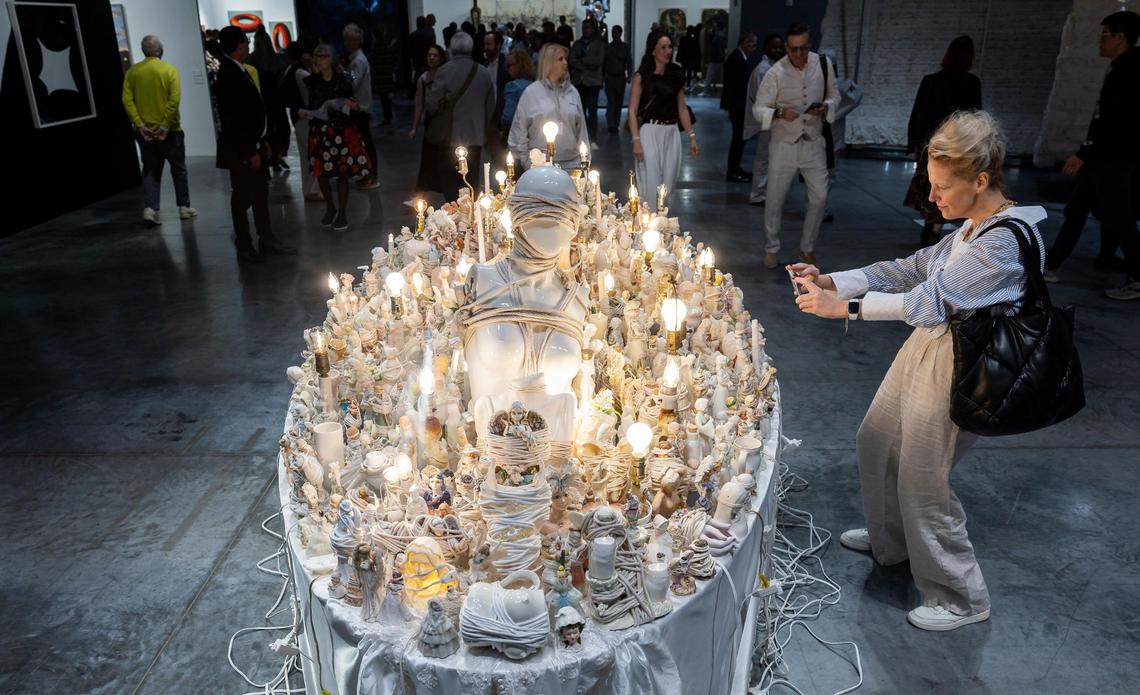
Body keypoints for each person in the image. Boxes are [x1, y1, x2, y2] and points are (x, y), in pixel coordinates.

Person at [790, 110, 1045, 632]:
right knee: (876, 439)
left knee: (924, 479)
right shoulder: (973, 226)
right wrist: (835, 280)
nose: (932, 197)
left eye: (941, 187)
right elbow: (911, 268)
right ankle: (894, 542)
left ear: (980, 180)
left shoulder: (1003, 240)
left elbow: (932, 299)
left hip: (965, 364)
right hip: (929, 348)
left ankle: (960, 597)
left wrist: (849, 310)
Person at [1044, 11, 1140, 300]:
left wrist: (1084, 152)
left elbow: (1113, 121)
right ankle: (1050, 264)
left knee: (1120, 217)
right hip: (1105, 157)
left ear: (1121, 38)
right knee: (1077, 210)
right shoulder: (1122, 67)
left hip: (1112, 158)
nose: (1101, 40)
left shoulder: (1128, 71)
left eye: (1105, 34)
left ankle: (1137, 277)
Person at [753, 23, 838, 268]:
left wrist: (826, 108)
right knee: (775, 198)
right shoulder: (776, 72)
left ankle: (807, 248)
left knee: (820, 197)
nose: (798, 55)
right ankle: (771, 247)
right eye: (793, 50)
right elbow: (758, 109)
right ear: (787, 47)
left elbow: (835, 95)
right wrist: (778, 112)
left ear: (809, 45)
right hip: (784, 144)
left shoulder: (823, 64)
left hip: (813, 141)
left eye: (802, 49)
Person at [215, 26, 294, 262]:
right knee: (242, 198)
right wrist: (250, 151)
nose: (248, 47)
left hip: (252, 146)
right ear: (239, 46)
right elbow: (234, 120)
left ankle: (264, 239)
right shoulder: (229, 74)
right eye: (245, 44)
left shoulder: (237, 70)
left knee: (259, 193)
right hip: (243, 151)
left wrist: (262, 143)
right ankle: (246, 245)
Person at [903, 36, 982, 247]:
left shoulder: (931, 81)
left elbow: (917, 114)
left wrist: (913, 144)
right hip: (957, 147)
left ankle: (931, 228)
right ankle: (934, 229)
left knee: (933, 186)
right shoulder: (971, 83)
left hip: (931, 145)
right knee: (947, 185)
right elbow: (976, 119)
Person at [121, 35, 195, 225]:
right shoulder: (169, 70)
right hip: (171, 131)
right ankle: (184, 208)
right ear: (161, 50)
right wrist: (163, 126)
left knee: (150, 170)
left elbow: (127, 101)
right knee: (178, 169)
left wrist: (140, 125)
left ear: (143, 50)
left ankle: (150, 209)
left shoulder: (132, 72)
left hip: (144, 132)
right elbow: (174, 100)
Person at [301, 43, 372, 231]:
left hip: (341, 130)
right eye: (317, 56)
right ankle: (331, 207)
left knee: (342, 173)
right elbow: (310, 104)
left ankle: (342, 212)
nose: (319, 59)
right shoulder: (312, 81)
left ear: (331, 58)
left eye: (323, 56)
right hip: (320, 131)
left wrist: (347, 104)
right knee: (321, 172)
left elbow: (353, 103)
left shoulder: (343, 79)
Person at [629, 31, 697, 211]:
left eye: (670, 47)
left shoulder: (676, 75)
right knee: (651, 182)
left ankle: (661, 223)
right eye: (663, 47)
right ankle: (648, 225)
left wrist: (691, 136)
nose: (668, 51)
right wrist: (636, 140)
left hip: (672, 132)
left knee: (668, 183)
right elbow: (632, 110)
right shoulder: (642, 77)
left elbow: (682, 108)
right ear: (653, 50)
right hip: (649, 131)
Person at [426, 32, 495, 193]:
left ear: (451, 48)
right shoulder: (484, 73)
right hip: (475, 136)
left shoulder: (444, 71)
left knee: (449, 180)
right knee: (471, 183)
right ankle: (470, 214)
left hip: (448, 137)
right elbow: (490, 106)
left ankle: (452, 214)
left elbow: (432, 104)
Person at [508, 42, 588, 169]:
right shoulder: (531, 92)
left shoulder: (572, 92)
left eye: (565, 59)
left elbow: (582, 131)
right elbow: (518, 132)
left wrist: (584, 161)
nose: (565, 63)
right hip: (540, 166)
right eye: (560, 59)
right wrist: (528, 163)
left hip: (572, 164)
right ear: (549, 63)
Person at [743, 33, 785, 205]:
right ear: (766, 48)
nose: (777, 50)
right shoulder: (763, 70)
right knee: (764, 159)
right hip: (768, 120)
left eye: (780, 47)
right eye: (774, 47)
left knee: (771, 159)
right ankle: (758, 194)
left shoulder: (775, 68)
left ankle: (766, 193)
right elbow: (763, 98)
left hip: (774, 119)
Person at [279, 42, 323, 202]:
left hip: (299, 117)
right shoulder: (299, 72)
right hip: (306, 118)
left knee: (307, 154)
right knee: (310, 154)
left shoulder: (290, 71)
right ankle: (312, 189)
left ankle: (309, 189)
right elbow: (318, 87)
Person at [343, 24, 379, 189]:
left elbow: (352, 83)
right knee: (363, 143)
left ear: (358, 41)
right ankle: (367, 174)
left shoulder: (358, 60)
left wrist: (340, 75)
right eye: (346, 39)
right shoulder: (355, 58)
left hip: (360, 108)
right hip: (359, 107)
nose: (347, 42)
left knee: (366, 143)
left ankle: (372, 176)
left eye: (350, 39)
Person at [410, 45, 448, 195]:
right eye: (429, 55)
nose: (432, 58)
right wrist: (414, 126)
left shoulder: (445, 76)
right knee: (428, 155)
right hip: (431, 120)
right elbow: (419, 103)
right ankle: (423, 189)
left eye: (435, 55)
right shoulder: (423, 79)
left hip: (444, 119)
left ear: (441, 58)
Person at [722, 32, 757, 183]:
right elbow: (738, 86)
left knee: (739, 138)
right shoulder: (737, 58)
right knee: (738, 139)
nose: (754, 48)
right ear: (745, 42)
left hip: (736, 104)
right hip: (738, 105)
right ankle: (733, 171)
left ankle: (736, 168)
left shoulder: (738, 56)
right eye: (753, 44)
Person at [569, 18, 605, 141]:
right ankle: (580, 136)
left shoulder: (598, 44)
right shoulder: (577, 44)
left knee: (592, 110)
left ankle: (593, 136)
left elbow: (598, 61)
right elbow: (572, 60)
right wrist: (586, 64)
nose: (585, 30)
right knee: (580, 110)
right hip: (579, 81)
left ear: (593, 29)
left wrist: (583, 61)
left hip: (592, 81)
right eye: (583, 28)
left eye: (588, 27)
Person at [603, 25, 634, 133]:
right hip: (610, 77)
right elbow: (604, 63)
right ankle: (611, 124)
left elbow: (629, 62)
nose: (614, 34)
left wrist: (630, 76)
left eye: (616, 32)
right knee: (611, 101)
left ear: (620, 33)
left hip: (620, 77)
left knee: (619, 102)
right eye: (613, 32)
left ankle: (616, 123)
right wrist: (602, 77)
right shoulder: (608, 47)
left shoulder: (625, 47)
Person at [484, 30, 509, 161]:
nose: (486, 47)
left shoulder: (506, 65)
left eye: (489, 44)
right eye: (485, 44)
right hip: (490, 119)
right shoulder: (485, 66)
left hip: (502, 118)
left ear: (498, 45)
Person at [500, 50, 535, 137]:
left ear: (519, 65)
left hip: (516, 133)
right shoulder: (535, 85)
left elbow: (508, 116)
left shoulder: (513, 86)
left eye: (509, 65)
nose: (507, 69)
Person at [371, 25, 398, 126]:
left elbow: (374, 61)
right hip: (387, 75)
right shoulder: (387, 46)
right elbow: (392, 59)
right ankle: (388, 116)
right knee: (387, 98)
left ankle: (387, 117)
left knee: (384, 98)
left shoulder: (376, 47)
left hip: (380, 76)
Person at [704, 23, 726, 94]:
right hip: (718, 59)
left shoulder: (718, 36)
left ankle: (707, 90)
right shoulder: (721, 35)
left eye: (716, 26)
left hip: (715, 59)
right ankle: (712, 88)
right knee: (715, 75)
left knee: (710, 74)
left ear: (718, 27)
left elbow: (718, 48)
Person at [679, 26, 701, 91]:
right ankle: (688, 84)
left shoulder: (683, 39)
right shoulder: (694, 40)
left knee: (683, 71)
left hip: (684, 57)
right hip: (691, 58)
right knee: (689, 72)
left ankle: (682, 84)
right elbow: (696, 50)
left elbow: (680, 48)